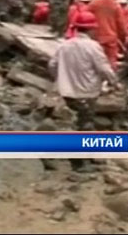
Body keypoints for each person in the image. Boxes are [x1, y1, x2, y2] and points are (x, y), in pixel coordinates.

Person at [48, 11, 117, 172]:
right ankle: (79, 163)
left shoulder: (64, 45)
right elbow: (103, 69)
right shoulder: (93, 47)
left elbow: (52, 65)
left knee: (80, 124)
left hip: (67, 92)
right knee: (85, 125)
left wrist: (60, 79)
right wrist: (114, 82)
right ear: (92, 29)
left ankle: (88, 157)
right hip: (86, 92)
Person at [87, 0, 127, 69]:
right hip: (110, 40)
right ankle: (108, 82)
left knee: (92, 64)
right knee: (110, 65)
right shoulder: (116, 5)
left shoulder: (93, 4)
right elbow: (121, 26)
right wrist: (123, 38)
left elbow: (85, 18)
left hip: (95, 38)